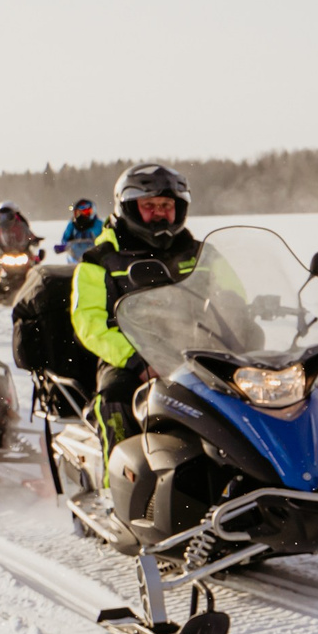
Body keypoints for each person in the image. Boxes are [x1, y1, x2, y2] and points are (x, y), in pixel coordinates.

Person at [71, 163, 201, 454]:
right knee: (115, 398)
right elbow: (90, 323)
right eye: (149, 205)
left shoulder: (198, 252)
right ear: (129, 207)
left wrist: (247, 318)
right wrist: (136, 359)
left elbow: (231, 294)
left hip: (196, 350)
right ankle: (116, 488)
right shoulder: (100, 259)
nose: (159, 212)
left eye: (166, 204)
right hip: (129, 357)